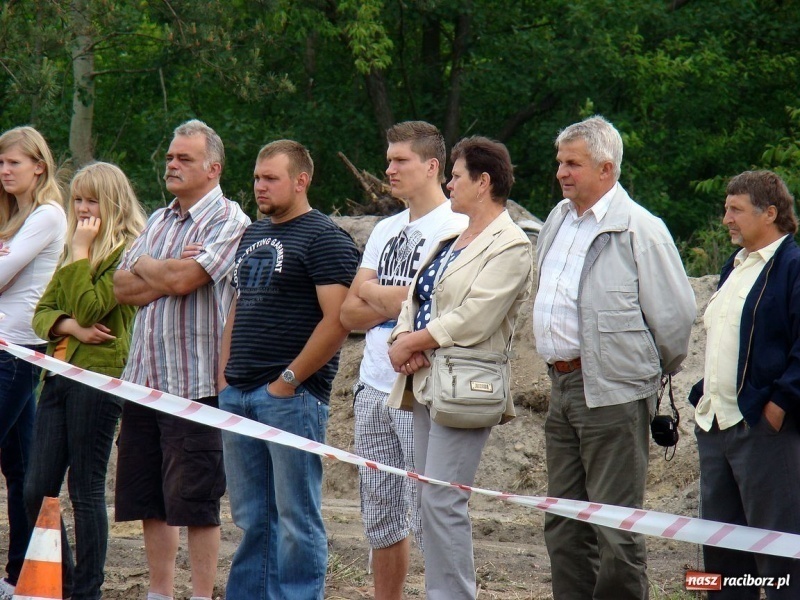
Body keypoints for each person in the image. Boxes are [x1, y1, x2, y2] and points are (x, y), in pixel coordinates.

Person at [532, 115, 695, 600]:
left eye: (573, 163)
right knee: (563, 527)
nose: (562, 172)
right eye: (560, 162)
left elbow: (675, 320)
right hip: (560, 388)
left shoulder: (640, 229)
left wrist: (636, 373)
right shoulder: (559, 220)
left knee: (615, 530)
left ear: (606, 169)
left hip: (614, 394)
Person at [387, 136, 533, 600]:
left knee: (443, 500)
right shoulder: (451, 239)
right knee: (430, 501)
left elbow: (476, 316)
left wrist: (414, 341)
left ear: (483, 182)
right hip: (426, 379)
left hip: (465, 385)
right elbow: (417, 298)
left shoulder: (512, 244)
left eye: (455, 175)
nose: (448, 182)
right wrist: (402, 340)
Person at [113, 119, 250, 600]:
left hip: (196, 384)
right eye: (170, 157)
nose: (172, 165)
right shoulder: (158, 219)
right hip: (143, 380)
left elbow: (182, 281)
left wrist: (149, 265)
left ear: (213, 168)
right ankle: (159, 593)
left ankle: (201, 594)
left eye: (184, 159)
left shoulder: (230, 220)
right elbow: (121, 287)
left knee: (195, 501)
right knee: (148, 497)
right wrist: (163, 270)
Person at [218, 139, 359, 599]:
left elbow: (338, 319)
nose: (259, 186)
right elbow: (239, 306)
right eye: (257, 177)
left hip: (290, 399)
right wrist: (225, 377)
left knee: (296, 518)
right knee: (252, 517)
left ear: (301, 181)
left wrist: (288, 382)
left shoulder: (325, 237)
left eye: (271, 178)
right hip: (239, 394)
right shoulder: (253, 234)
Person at [339, 121, 467, 598]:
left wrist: (379, 295)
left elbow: (443, 305)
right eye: (388, 159)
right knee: (382, 518)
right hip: (373, 385)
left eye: (400, 161)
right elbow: (349, 310)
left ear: (432, 166)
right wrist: (403, 297)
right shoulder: (386, 229)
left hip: (421, 386)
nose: (388, 169)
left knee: (432, 510)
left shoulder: (455, 226)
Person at [23, 162, 146, 600]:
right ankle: (68, 576)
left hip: (99, 379)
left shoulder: (127, 252)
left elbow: (94, 308)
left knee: (85, 487)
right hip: (55, 375)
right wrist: (70, 328)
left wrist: (79, 253)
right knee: (37, 486)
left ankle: (86, 589)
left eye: (92, 199)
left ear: (112, 202)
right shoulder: (74, 251)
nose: (83, 207)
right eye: (77, 199)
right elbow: (41, 315)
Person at [689, 170, 800, 599]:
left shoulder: (792, 267)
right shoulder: (732, 267)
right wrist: (704, 394)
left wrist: (778, 406)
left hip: (763, 430)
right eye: (725, 209)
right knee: (721, 558)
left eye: (735, 209)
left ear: (770, 213)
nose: (725, 219)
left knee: (779, 557)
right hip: (716, 428)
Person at [0, 126, 67, 600]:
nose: (5, 171)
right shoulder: (12, 217)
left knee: (23, 467)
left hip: (16, 348)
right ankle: (24, 576)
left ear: (39, 166)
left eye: (14, 163)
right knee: (22, 467)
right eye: (1, 163)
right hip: (10, 347)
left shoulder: (46, 214)